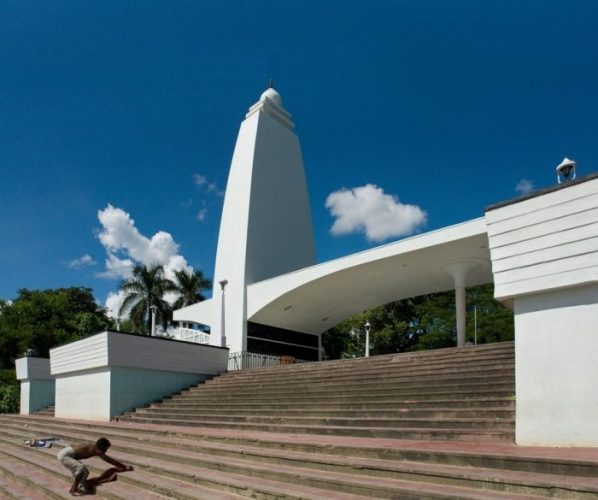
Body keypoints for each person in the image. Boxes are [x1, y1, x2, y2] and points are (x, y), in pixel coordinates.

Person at [56, 437, 134, 496]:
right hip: (64, 455)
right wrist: (124, 467)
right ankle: (73, 489)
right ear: (102, 447)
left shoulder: (94, 448)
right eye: (106, 449)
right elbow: (110, 460)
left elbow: (75, 446)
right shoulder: (97, 450)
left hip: (67, 455)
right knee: (81, 468)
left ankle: (80, 486)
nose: (106, 451)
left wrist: (123, 466)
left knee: (85, 472)